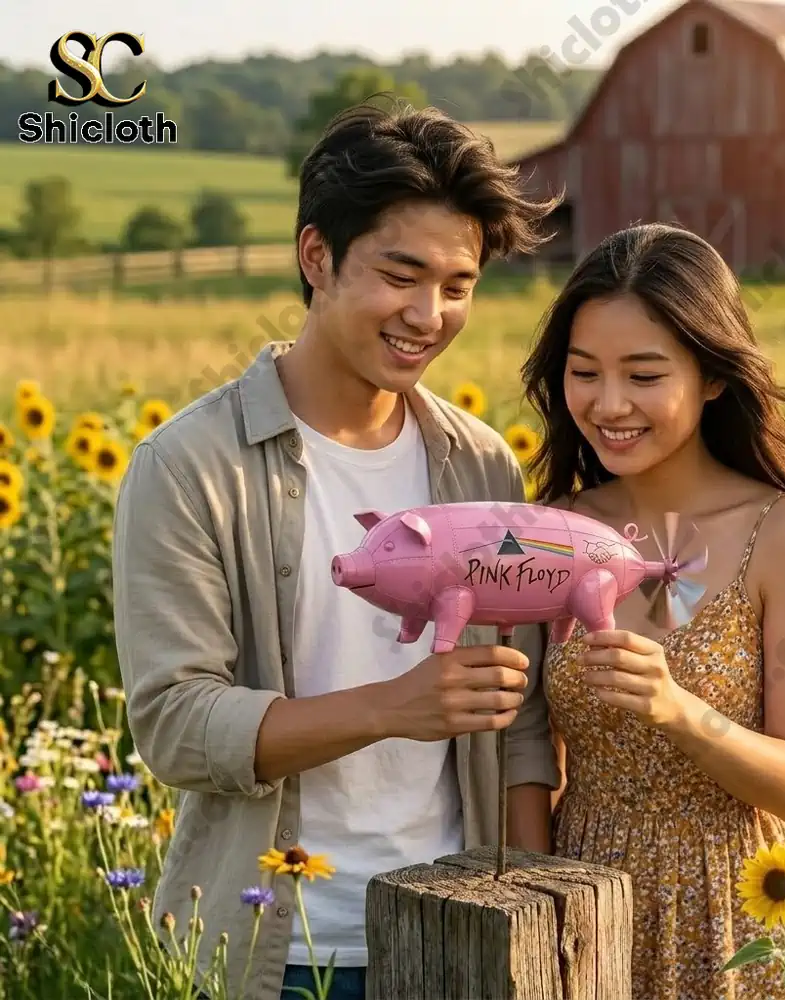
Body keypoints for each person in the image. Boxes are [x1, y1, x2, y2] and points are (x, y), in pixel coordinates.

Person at [112, 100, 563, 1000]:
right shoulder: (190, 467)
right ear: (316, 256)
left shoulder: (480, 465)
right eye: (401, 273)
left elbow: (522, 730)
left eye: (460, 284)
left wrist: (534, 927)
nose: (429, 314)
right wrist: (391, 705)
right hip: (270, 950)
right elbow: (175, 724)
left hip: (461, 937)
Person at [518, 223, 785, 999]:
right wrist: (535, 915)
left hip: (737, 912)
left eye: (644, 374)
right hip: (581, 907)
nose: (609, 403)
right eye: (584, 372)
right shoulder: (552, 529)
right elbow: (525, 759)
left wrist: (676, 709)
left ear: (712, 377)